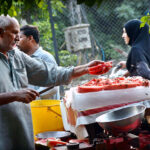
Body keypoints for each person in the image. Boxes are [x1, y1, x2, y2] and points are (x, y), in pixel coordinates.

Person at [0, 15, 104, 150]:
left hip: (23, 133)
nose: (18, 38)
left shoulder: (16, 55)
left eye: (18, 33)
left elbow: (49, 73)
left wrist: (86, 68)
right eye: (14, 33)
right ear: (1, 32)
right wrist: (14, 95)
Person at [17, 25, 60, 100]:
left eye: (20, 37)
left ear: (30, 38)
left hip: (46, 108)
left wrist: (32, 97)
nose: (17, 41)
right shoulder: (21, 59)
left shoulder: (45, 57)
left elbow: (53, 87)